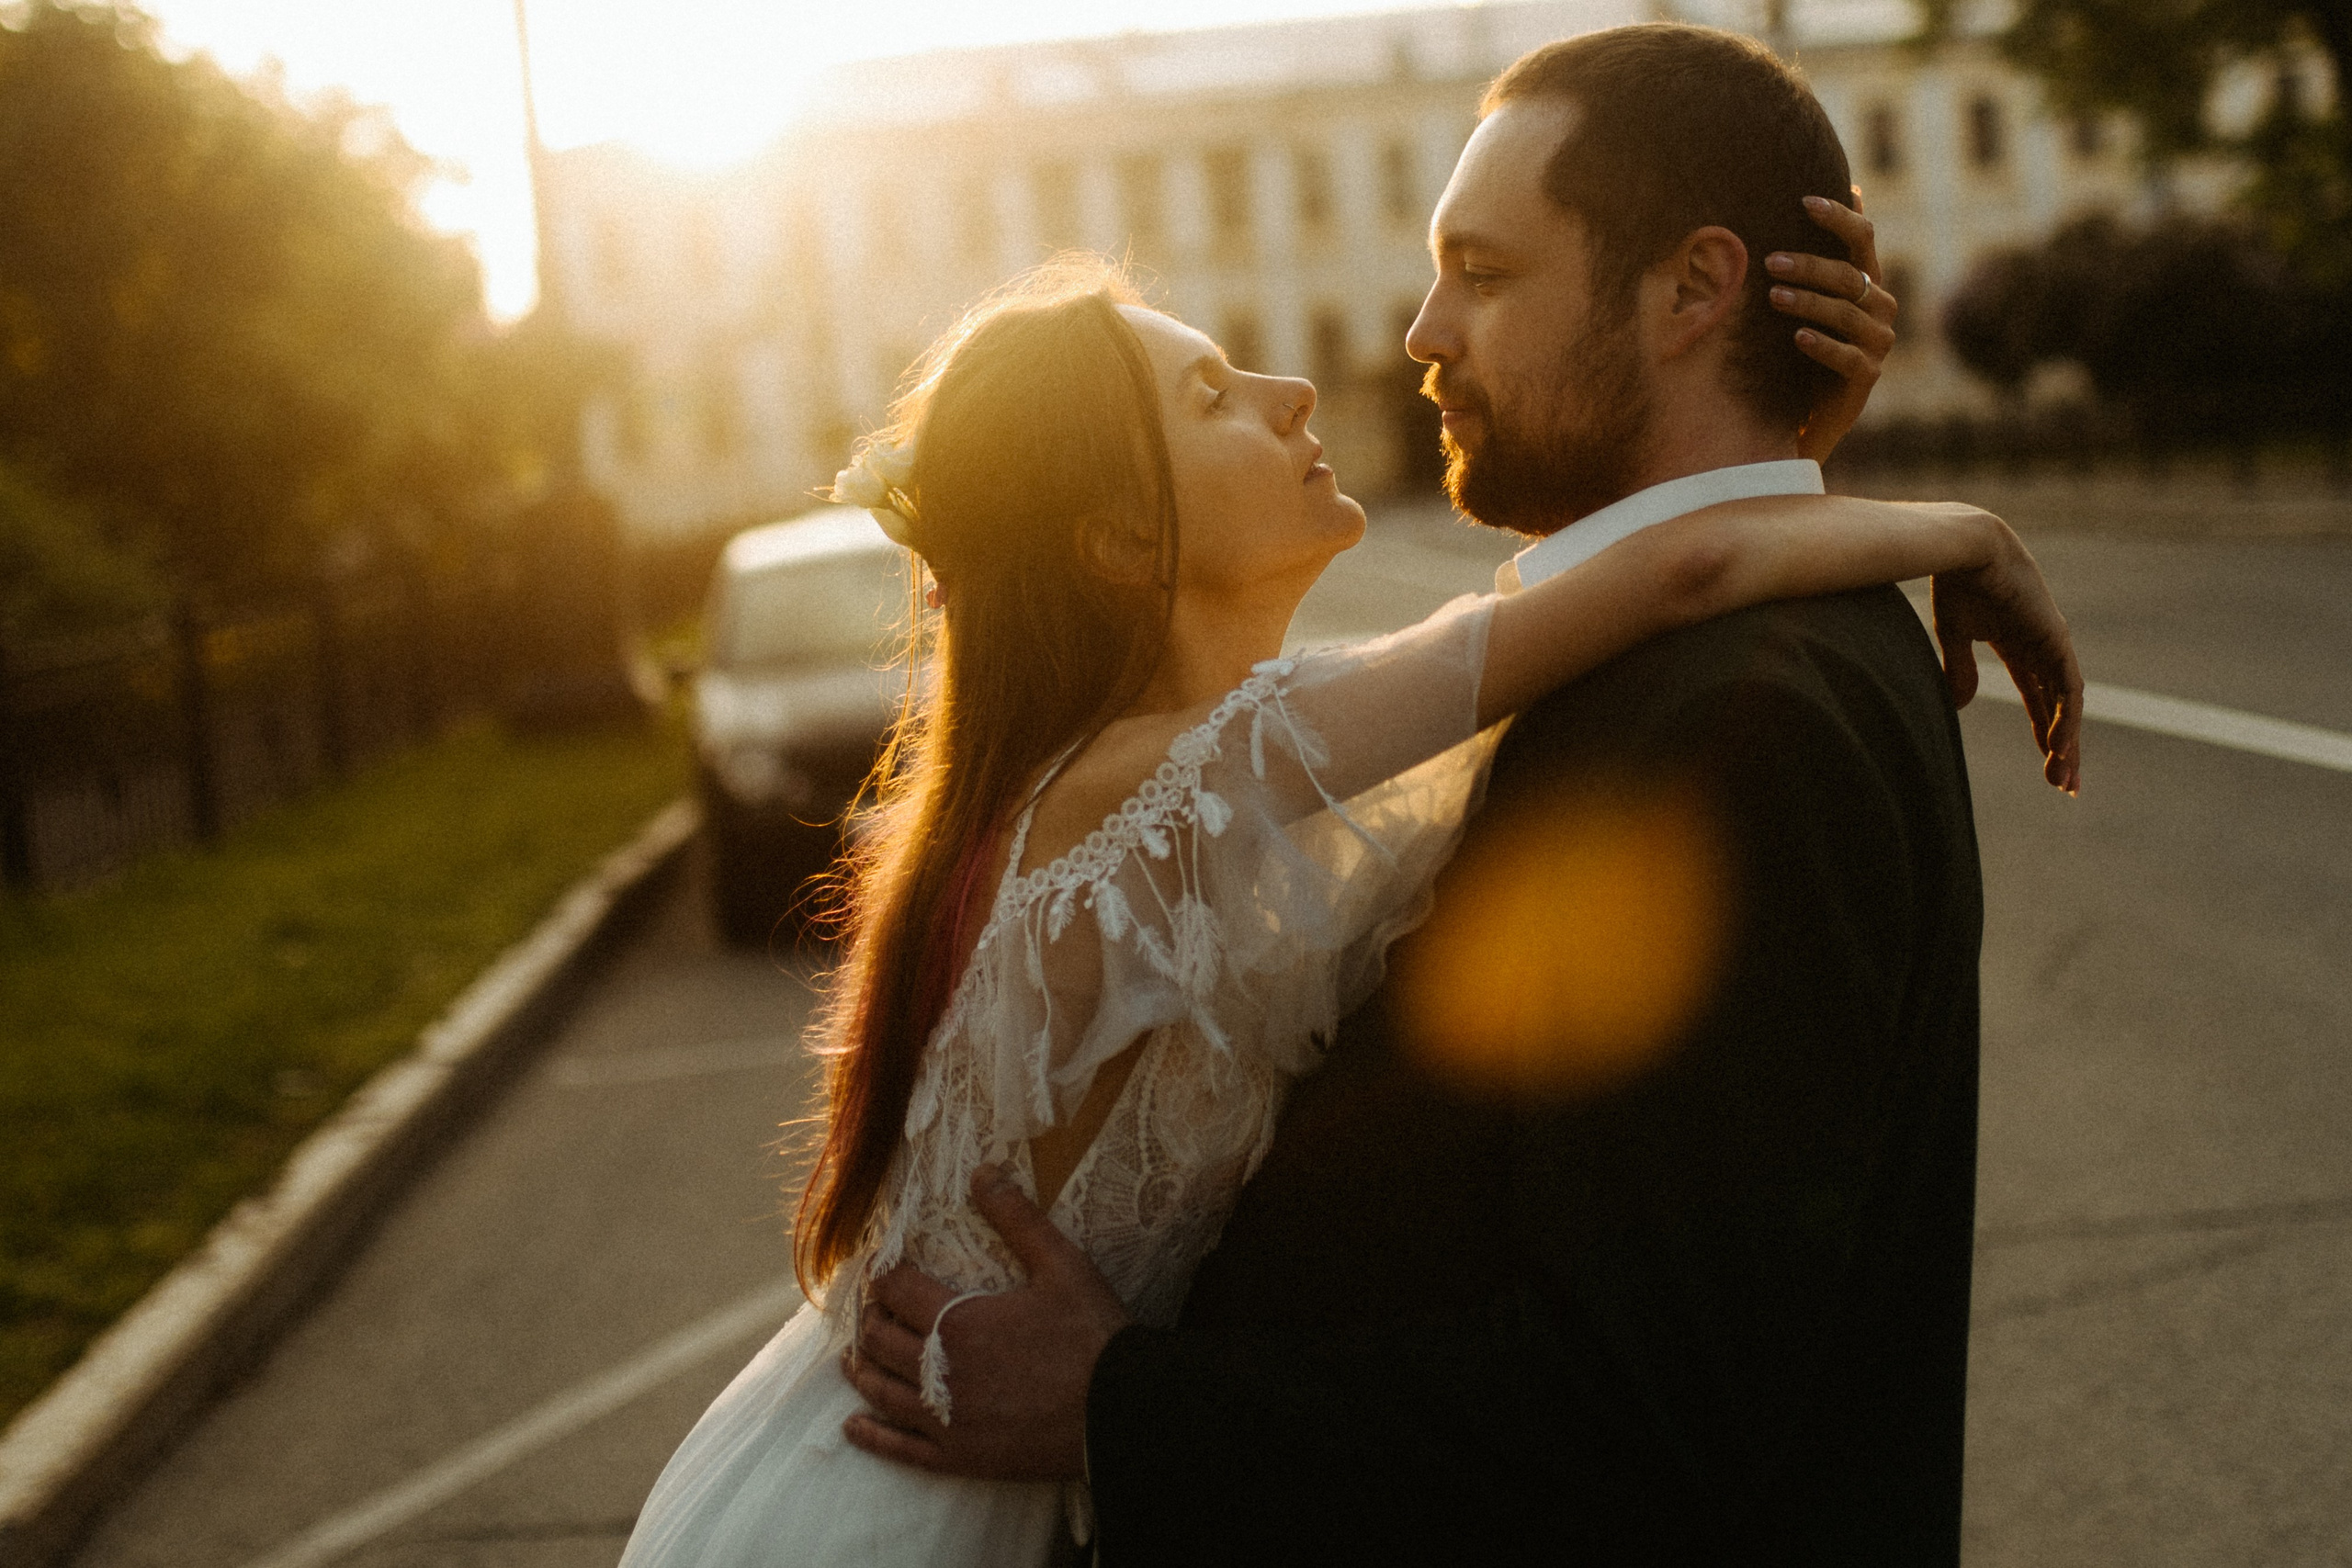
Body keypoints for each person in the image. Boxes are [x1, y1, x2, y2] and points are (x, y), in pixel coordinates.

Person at [836, 23, 2073, 1567]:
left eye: (1482, 275)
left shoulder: (1733, 728)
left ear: (1695, 292)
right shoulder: (1635, 675)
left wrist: (1129, 1407)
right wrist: (1844, 475)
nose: (1415, 333)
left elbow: (1651, 1407)